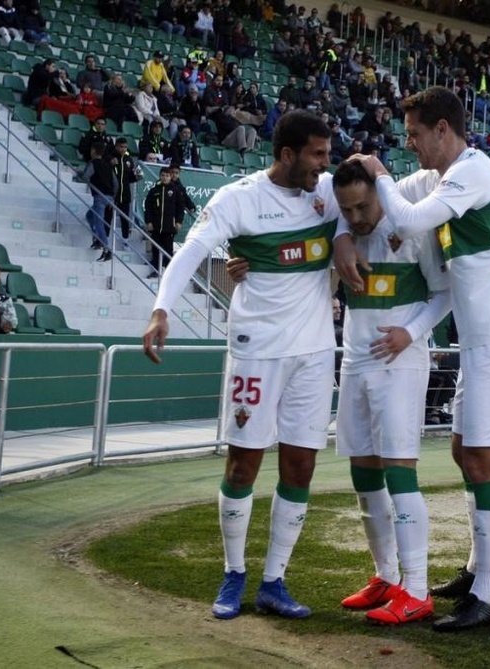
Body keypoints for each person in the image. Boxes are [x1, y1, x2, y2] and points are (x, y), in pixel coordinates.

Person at [339, 86, 490, 631]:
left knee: (484, 461)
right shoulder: (439, 178)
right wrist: (341, 234)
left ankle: (489, 594)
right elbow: (371, 209)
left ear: (443, 131)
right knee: (462, 451)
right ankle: (477, 575)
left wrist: (380, 171)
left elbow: (403, 221)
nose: (413, 148)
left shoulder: (476, 171)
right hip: (479, 342)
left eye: (416, 137)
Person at [227, 159, 451, 625]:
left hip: (399, 359)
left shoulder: (411, 225)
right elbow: (292, 247)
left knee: (399, 469)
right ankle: (386, 576)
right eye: (346, 210)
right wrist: (245, 263)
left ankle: (417, 586)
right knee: (364, 470)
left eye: (362, 206)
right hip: (353, 360)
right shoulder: (342, 229)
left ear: (377, 192)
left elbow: (444, 292)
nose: (355, 216)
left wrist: (410, 334)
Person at [142, 110, 341, 621]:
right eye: (317, 154)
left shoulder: (329, 192)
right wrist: (161, 308)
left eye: (328, 153)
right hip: (256, 348)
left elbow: (378, 192)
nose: (325, 164)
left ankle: (275, 580)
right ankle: (234, 572)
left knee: (301, 464)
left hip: (315, 352)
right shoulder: (238, 199)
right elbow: (191, 251)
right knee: (243, 463)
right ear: (287, 155)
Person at [143, 167, 181, 278]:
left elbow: (180, 207)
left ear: (171, 177)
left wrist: (178, 221)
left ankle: (169, 273)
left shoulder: (175, 190)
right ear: (160, 176)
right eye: (163, 175)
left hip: (169, 226)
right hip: (156, 225)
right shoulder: (154, 190)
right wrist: (148, 221)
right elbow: (148, 207)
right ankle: (156, 270)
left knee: (168, 249)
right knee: (155, 248)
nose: (165, 178)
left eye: (167, 176)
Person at [82, 141, 115, 260]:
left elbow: (86, 176)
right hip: (109, 197)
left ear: (93, 151)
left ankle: (106, 248)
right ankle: (97, 238)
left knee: (98, 221)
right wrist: (113, 197)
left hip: (99, 197)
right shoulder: (108, 165)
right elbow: (115, 183)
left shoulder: (93, 163)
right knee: (90, 215)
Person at [109, 137, 143, 240]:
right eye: (121, 147)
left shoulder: (129, 160)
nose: (123, 149)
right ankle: (104, 238)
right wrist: (110, 164)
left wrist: (137, 177)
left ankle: (125, 240)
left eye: (125, 147)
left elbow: (130, 178)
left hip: (125, 193)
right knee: (108, 217)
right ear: (116, 146)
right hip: (112, 193)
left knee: (125, 218)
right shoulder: (110, 157)